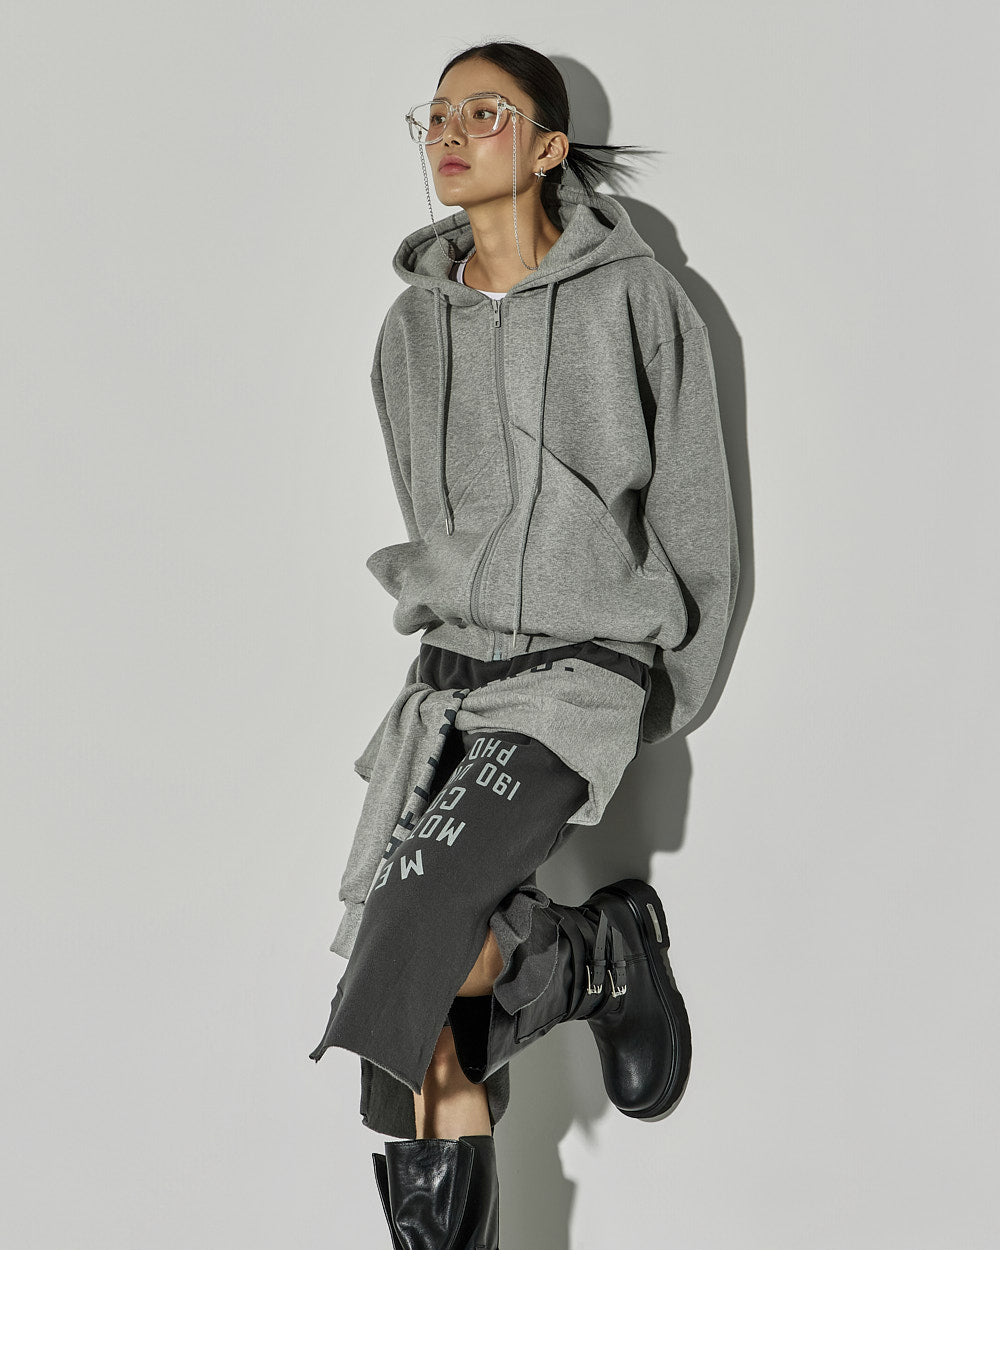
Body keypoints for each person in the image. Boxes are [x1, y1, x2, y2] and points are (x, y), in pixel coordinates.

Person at [307, 40, 740, 1249]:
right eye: (435, 116)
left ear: (548, 148)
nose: (449, 134)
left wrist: (661, 690)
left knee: (413, 941)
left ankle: (593, 954)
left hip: (578, 671)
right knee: (404, 1038)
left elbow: (695, 508)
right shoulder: (410, 328)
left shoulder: (637, 301)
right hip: (450, 678)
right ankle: (591, 960)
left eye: (484, 113)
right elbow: (429, 507)